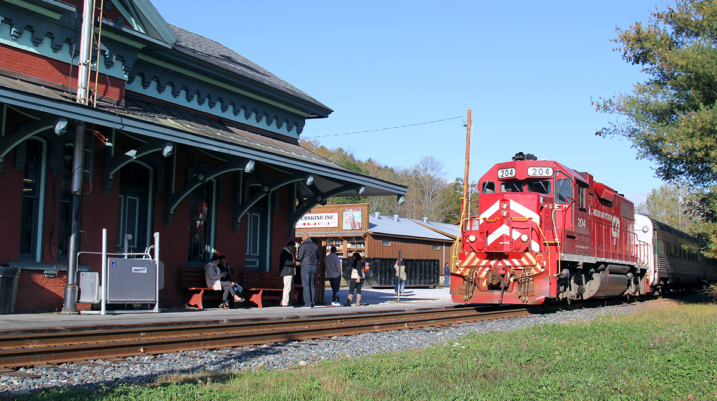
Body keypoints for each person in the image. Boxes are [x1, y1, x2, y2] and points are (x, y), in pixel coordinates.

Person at [296, 233, 320, 308]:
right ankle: (312, 303)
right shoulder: (315, 245)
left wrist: (298, 259)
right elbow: (318, 256)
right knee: (312, 285)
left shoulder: (303, 245)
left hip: (305, 265)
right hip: (314, 266)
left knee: (306, 285)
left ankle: (307, 303)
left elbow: (300, 257)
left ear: (303, 239)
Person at [279, 241, 296, 307]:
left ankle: (285, 302)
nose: (293, 249)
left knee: (287, 287)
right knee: (287, 287)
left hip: (287, 272)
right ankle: (285, 302)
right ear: (289, 246)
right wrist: (294, 263)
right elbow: (286, 262)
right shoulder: (285, 252)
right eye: (293, 248)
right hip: (287, 272)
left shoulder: (287, 252)